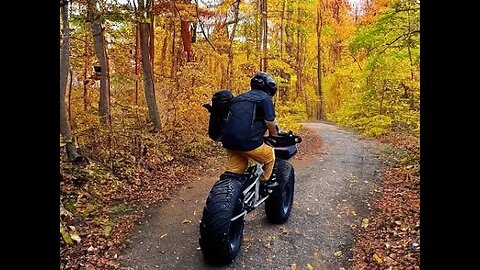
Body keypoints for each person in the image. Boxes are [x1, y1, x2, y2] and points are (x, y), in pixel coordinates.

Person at [220, 71, 282, 188]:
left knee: (236, 169)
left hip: (228, 142)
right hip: (249, 143)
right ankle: (266, 182)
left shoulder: (238, 98)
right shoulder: (265, 98)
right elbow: (270, 121)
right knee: (270, 156)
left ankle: (230, 189)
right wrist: (274, 134)